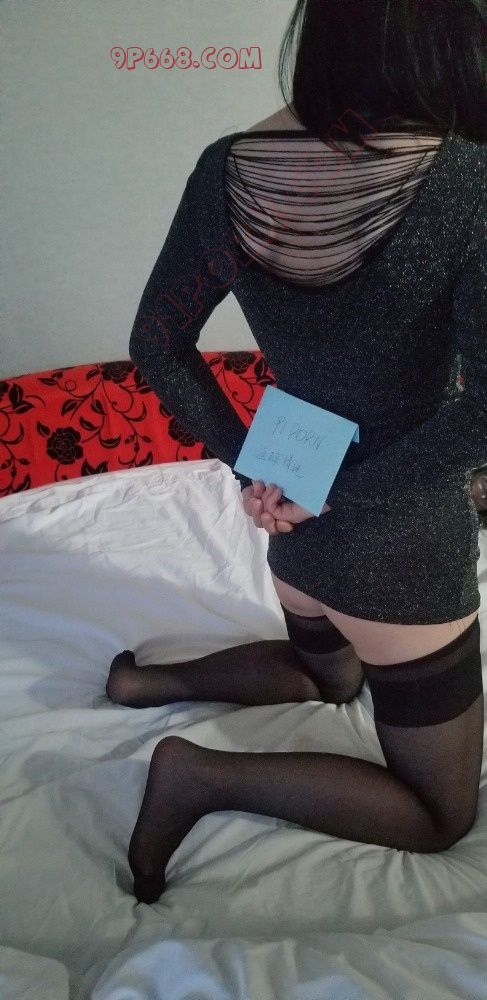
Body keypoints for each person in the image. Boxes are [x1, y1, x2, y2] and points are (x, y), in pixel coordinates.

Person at [106, 0, 486, 904]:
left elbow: (156, 343)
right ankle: (200, 776)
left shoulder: (225, 167)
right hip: (397, 550)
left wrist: (257, 467)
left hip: (287, 521)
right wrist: (325, 493)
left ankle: (143, 681)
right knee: (437, 814)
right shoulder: (469, 180)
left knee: (328, 676)